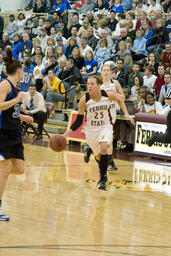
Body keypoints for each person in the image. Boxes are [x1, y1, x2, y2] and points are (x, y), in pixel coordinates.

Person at [64, 75, 134, 190]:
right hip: (91, 131)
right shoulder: (84, 99)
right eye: (88, 84)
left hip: (105, 126)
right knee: (99, 157)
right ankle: (91, 152)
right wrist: (65, 135)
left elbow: (120, 100)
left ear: (98, 85)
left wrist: (126, 114)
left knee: (104, 148)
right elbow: (79, 121)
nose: (89, 86)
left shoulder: (106, 95)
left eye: (92, 84)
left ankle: (103, 178)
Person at [0, 48, 33, 221]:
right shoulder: (5, 85)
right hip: (3, 132)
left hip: (15, 132)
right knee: (5, 169)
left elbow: (10, 110)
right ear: (20, 71)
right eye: (23, 72)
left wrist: (22, 116)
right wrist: (17, 100)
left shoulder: (16, 87)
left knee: (19, 169)